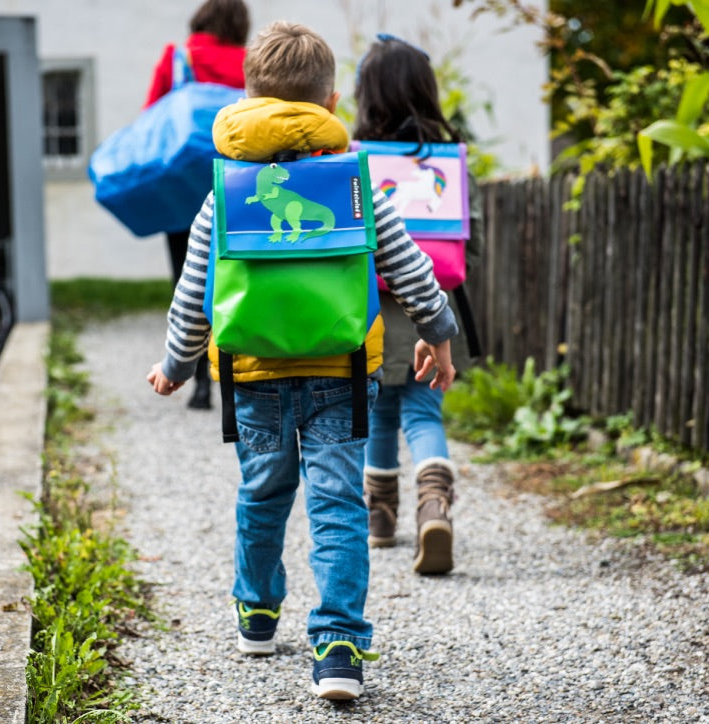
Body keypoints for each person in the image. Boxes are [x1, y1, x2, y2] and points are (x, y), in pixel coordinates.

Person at [146, 21, 459, 700]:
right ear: (326, 100)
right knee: (338, 504)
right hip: (339, 371)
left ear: (250, 95)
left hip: (251, 374)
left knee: (261, 494)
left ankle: (257, 613)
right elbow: (407, 266)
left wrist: (176, 362)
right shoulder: (354, 183)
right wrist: (438, 331)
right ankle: (339, 641)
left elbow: (194, 291)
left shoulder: (223, 190)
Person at [352, 35, 484, 575]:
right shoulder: (451, 165)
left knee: (379, 406)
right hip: (433, 308)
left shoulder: (352, 164)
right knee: (424, 410)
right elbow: (471, 243)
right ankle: (435, 504)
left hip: (371, 311)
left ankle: (380, 517)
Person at [143, 0, 250, 410]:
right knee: (235, 276)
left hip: (181, 190)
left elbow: (152, 118)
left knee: (186, 281)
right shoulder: (249, 62)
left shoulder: (178, 59)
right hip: (236, 186)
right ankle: (237, 374)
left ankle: (200, 382)